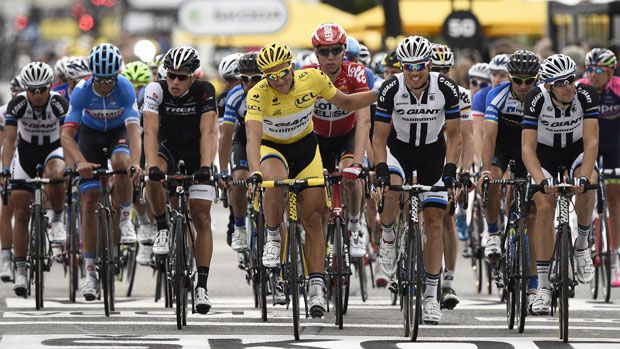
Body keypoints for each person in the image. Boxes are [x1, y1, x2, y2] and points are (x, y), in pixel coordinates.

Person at [245, 42, 376, 318]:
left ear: (291, 67)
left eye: (282, 73)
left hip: (306, 149)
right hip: (273, 149)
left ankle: (316, 285)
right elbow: (253, 137)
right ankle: (272, 236)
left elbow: (348, 102)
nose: (278, 80)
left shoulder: (313, 78)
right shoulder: (258, 94)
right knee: (274, 180)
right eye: (271, 76)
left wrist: (380, 94)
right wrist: (255, 171)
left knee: (314, 218)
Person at [374, 35, 461, 324]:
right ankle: (387, 236)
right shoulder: (390, 88)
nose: (414, 71)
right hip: (398, 151)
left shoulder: (445, 87)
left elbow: (456, 135)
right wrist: (380, 169)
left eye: (420, 65)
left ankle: (430, 296)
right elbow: (379, 136)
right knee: (392, 189)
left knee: (435, 221)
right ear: (401, 66)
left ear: (429, 64)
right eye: (408, 65)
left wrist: (451, 169)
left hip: (432, 155)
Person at [61, 43, 142, 301]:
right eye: (100, 79)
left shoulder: (125, 87)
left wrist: (136, 164)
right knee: (89, 198)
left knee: (121, 162)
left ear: (117, 75)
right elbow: (66, 135)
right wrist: (80, 162)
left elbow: (133, 131)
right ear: (92, 75)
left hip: (117, 133)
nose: (106, 84)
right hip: (91, 136)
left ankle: (126, 218)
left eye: (110, 79)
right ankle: (90, 274)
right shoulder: (82, 92)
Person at [522, 54, 598, 315]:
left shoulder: (585, 96)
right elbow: (527, 149)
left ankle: (582, 244)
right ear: (548, 86)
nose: (570, 87)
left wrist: (584, 178)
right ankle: (543, 286)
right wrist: (542, 181)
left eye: (571, 80)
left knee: (591, 183)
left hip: (575, 151)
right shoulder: (535, 98)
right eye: (562, 83)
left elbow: (591, 143)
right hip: (544, 155)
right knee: (543, 205)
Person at [143, 46, 218, 314]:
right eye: (171, 75)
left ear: (193, 78)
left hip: (198, 152)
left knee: (201, 216)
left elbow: (208, 132)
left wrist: (206, 166)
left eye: (181, 77)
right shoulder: (155, 90)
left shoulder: (205, 91)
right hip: (167, 149)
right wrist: (152, 167)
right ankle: (162, 226)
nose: (175, 82)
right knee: (152, 177)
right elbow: (150, 132)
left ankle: (202, 285)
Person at [304, 23, 371, 257]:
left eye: (336, 50)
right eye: (324, 52)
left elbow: (364, 120)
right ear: (316, 53)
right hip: (317, 138)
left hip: (346, 136)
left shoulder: (355, 72)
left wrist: (359, 163)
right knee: (314, 189)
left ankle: (355, 223)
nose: (330, 57)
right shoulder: (307, 73)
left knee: (350, 175)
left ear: (344, 50)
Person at [480, 50, 541, 305]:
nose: (524, 86)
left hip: (532, 147)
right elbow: (489, 137)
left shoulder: (542, 96)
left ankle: (535, 284)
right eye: (518, 80)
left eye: (530, 81)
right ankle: (493, 232)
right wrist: (484, 170)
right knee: (493, 179)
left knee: (534, 214)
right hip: (503, 146)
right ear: (509, 78)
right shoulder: (498, 95)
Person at [2, 62, 68, 296]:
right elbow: (9, 141)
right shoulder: (17, 104)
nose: (37, 95)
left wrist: (71, 164)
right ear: (25, 89)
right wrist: (4, 169)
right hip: (26, 154)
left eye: (42, 89)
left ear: (50, 87)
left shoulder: (59, 103)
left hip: (53, 150)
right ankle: (20, 269)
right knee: (20, 212)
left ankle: (58, 217)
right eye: (32, 90)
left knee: (57, 173)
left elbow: (66, 136)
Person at [430, 43, 473, 310]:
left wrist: (464, 170)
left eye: (446, 68)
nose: (443, 74)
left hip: (449, 158)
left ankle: (447, 281)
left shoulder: (461, 95)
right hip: (421, 155)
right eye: (437, 69)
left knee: (446, 217)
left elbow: (466, 139)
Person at [578, 48, 620, 287]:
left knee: (614, 200)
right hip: (588, 145)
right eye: (589, 69)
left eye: (598, 71)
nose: (592, 75)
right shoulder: (580, 88)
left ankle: (615, 258)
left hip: (614, 146)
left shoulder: (617, 88)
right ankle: (582, 230)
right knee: (585, 184)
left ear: (610, 71)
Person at [218, 52, 261, 253]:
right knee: (240, 178)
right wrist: (223, 169)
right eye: (244, 79)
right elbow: (226, 136)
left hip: (268, 140)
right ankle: (240, 226)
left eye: (256, 79)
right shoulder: (235, 96)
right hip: (242, 139)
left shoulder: (274, 93)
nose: (250, 84)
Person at [122, 60, 157, 265]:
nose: (136, 90)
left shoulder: (148, 96)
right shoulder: (122, 95)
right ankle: (144, 223)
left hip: (145, 140)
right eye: (131, 85)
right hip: (125, 141)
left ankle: (151, 227)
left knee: (149, 179)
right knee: (129, 179)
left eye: (140, 85)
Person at [216, 52, 243, 246]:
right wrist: (224, 169)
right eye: (225, 80)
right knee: (238, 179)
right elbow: (223, 133)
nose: (227, 84)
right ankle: (236, 219)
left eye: (231, 79)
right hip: (237, 138)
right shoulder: (226, 98)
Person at [0, 76, 24, 282]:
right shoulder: (4, 111)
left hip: (32, 157)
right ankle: (6, 257)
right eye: (17, 92)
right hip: (10, 158)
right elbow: (3, 143)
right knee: (8, 208)